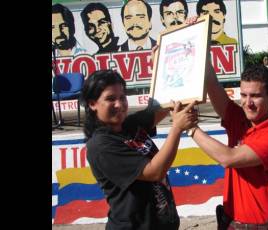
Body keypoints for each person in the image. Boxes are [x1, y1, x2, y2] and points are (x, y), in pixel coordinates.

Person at [177, 17, 268, 227]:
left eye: (255, 96)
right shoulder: (239, 117)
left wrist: (191, 129)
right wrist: (195, 37)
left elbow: (228, 158)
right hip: (230, 221)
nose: (248, 103)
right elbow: (210, 79)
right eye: (244, 95)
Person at [80, 69, 198, 229]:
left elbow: (160, 108)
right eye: (110, 99)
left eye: (122, 97)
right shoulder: (101, 146)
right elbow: (154, 172)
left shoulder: (128, 125)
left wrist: (163, 67)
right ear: (92, 104)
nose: (119, 104)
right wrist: (177, 128)